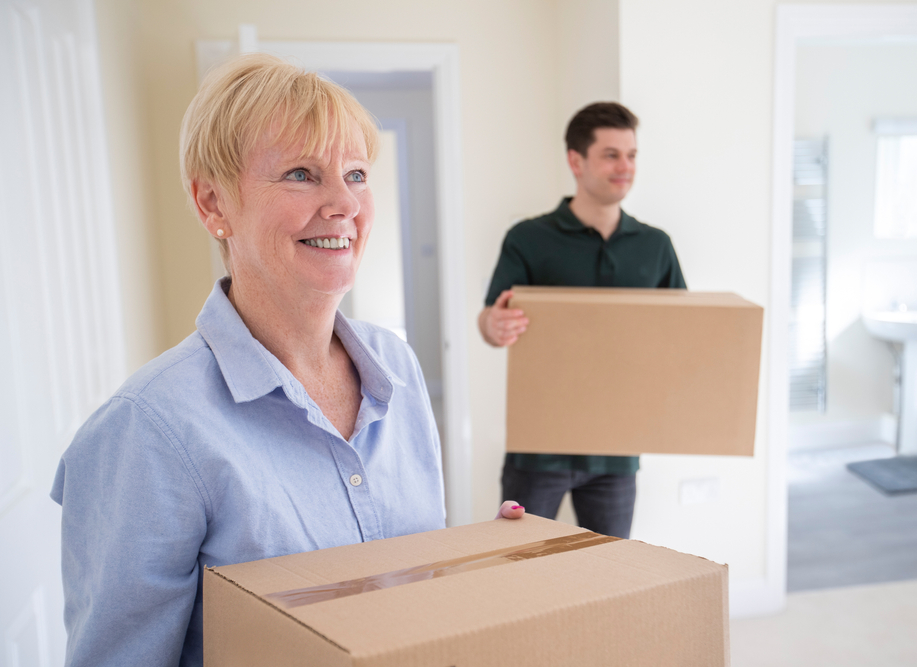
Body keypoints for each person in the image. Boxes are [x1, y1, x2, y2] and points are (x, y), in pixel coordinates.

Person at [51, 53, 524, 667]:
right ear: (213, 204)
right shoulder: (148, 428)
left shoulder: (396, 367)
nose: (344, 205)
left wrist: (482, 569)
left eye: (356, 173)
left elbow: (403, 598)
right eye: (302, 174)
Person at [479, 102, 685, 540]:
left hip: (617, 451)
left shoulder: (656, 246)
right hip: (538, 449)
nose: (625, 166)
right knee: (518, 564)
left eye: (631, 155)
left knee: (608, 569)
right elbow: (490, 319)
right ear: (576, 161)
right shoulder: (528, 239)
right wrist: (493, 326)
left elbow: (680, 334)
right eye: (611, 154)